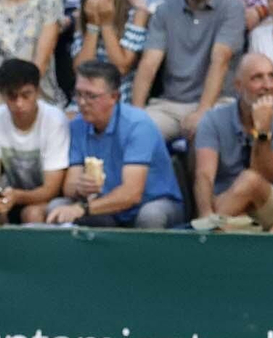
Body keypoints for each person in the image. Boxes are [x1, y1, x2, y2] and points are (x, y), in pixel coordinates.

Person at [47, 59, 185, 228]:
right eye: (78, 94)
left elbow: (132, 194)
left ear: (114, 97)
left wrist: (84, 208)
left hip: (152, 202)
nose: (82, 102)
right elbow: (69, 185)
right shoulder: (77, 125)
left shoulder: (138, 125)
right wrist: (79, 188)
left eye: (91, 96)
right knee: (57, 207)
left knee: (150, 215)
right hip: (107, 207)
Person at [130, 0, 245, 141]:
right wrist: (136, 114)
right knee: (137, 134)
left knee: (205, 131)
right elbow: (149, 63)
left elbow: (221, 60)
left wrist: (203, 111)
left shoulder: (231, 8)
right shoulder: (165, 10)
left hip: (217, 102)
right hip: (170, 105)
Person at [190, 52, 273, 230]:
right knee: (228, 225)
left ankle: (206, 228)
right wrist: (205, 212)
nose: (268, 85)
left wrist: (263, 131)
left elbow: (265, 175)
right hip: (227, 205)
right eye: (257, 78)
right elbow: (204, 175)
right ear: (238, 85)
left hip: (271, 206)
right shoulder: (213, 119)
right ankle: (213, 225)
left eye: (271, 77)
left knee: (250, 180)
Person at [0, 58, 70, 225]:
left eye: (26, 95)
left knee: (32, 213)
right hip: (9, 197)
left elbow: (51, 189)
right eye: (12, 96)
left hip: (46, 200)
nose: (19, 104)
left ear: (37, 92)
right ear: (2, 94)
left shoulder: (55, 121)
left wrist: (17, 196)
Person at [70, 0, 147, 101]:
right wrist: (92, 24)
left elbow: (121, 68)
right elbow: (80, 70)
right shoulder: (82, 16)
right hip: (86, 94)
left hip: (119, 95)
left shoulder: (136, 15)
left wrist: (106, 24)